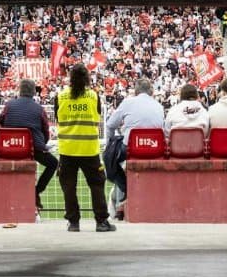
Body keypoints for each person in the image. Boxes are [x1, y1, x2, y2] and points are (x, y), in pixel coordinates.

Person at [55, 64, 115, 232]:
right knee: (97, 185)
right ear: (87, 78)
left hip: (67, 149)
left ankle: (73, 223)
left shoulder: (60, 96)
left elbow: (58, 120)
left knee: (68, 187)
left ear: (70, 79)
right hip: (89, 149)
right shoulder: (93, 96)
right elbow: (97, 119)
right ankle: (101, 222)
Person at [104, 79, 165, 220]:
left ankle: (125, 188)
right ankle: (123, 197)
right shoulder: (158, 106)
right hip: (154, 148)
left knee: (110, 159)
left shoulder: (128, 103)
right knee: (118, 158)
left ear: (136, 91)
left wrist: (109, 146)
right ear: (152, 92)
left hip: (132, 148)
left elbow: (110, 126)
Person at [0, 79, 58, 211]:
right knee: (53, 163)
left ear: (20, 91)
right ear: (33, 92)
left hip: (10, 147)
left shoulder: (9, 105)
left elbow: (1, 121)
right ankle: (36, 191)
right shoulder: (39, 109)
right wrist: (42, 144)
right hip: (33, 149)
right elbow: (45, 131)